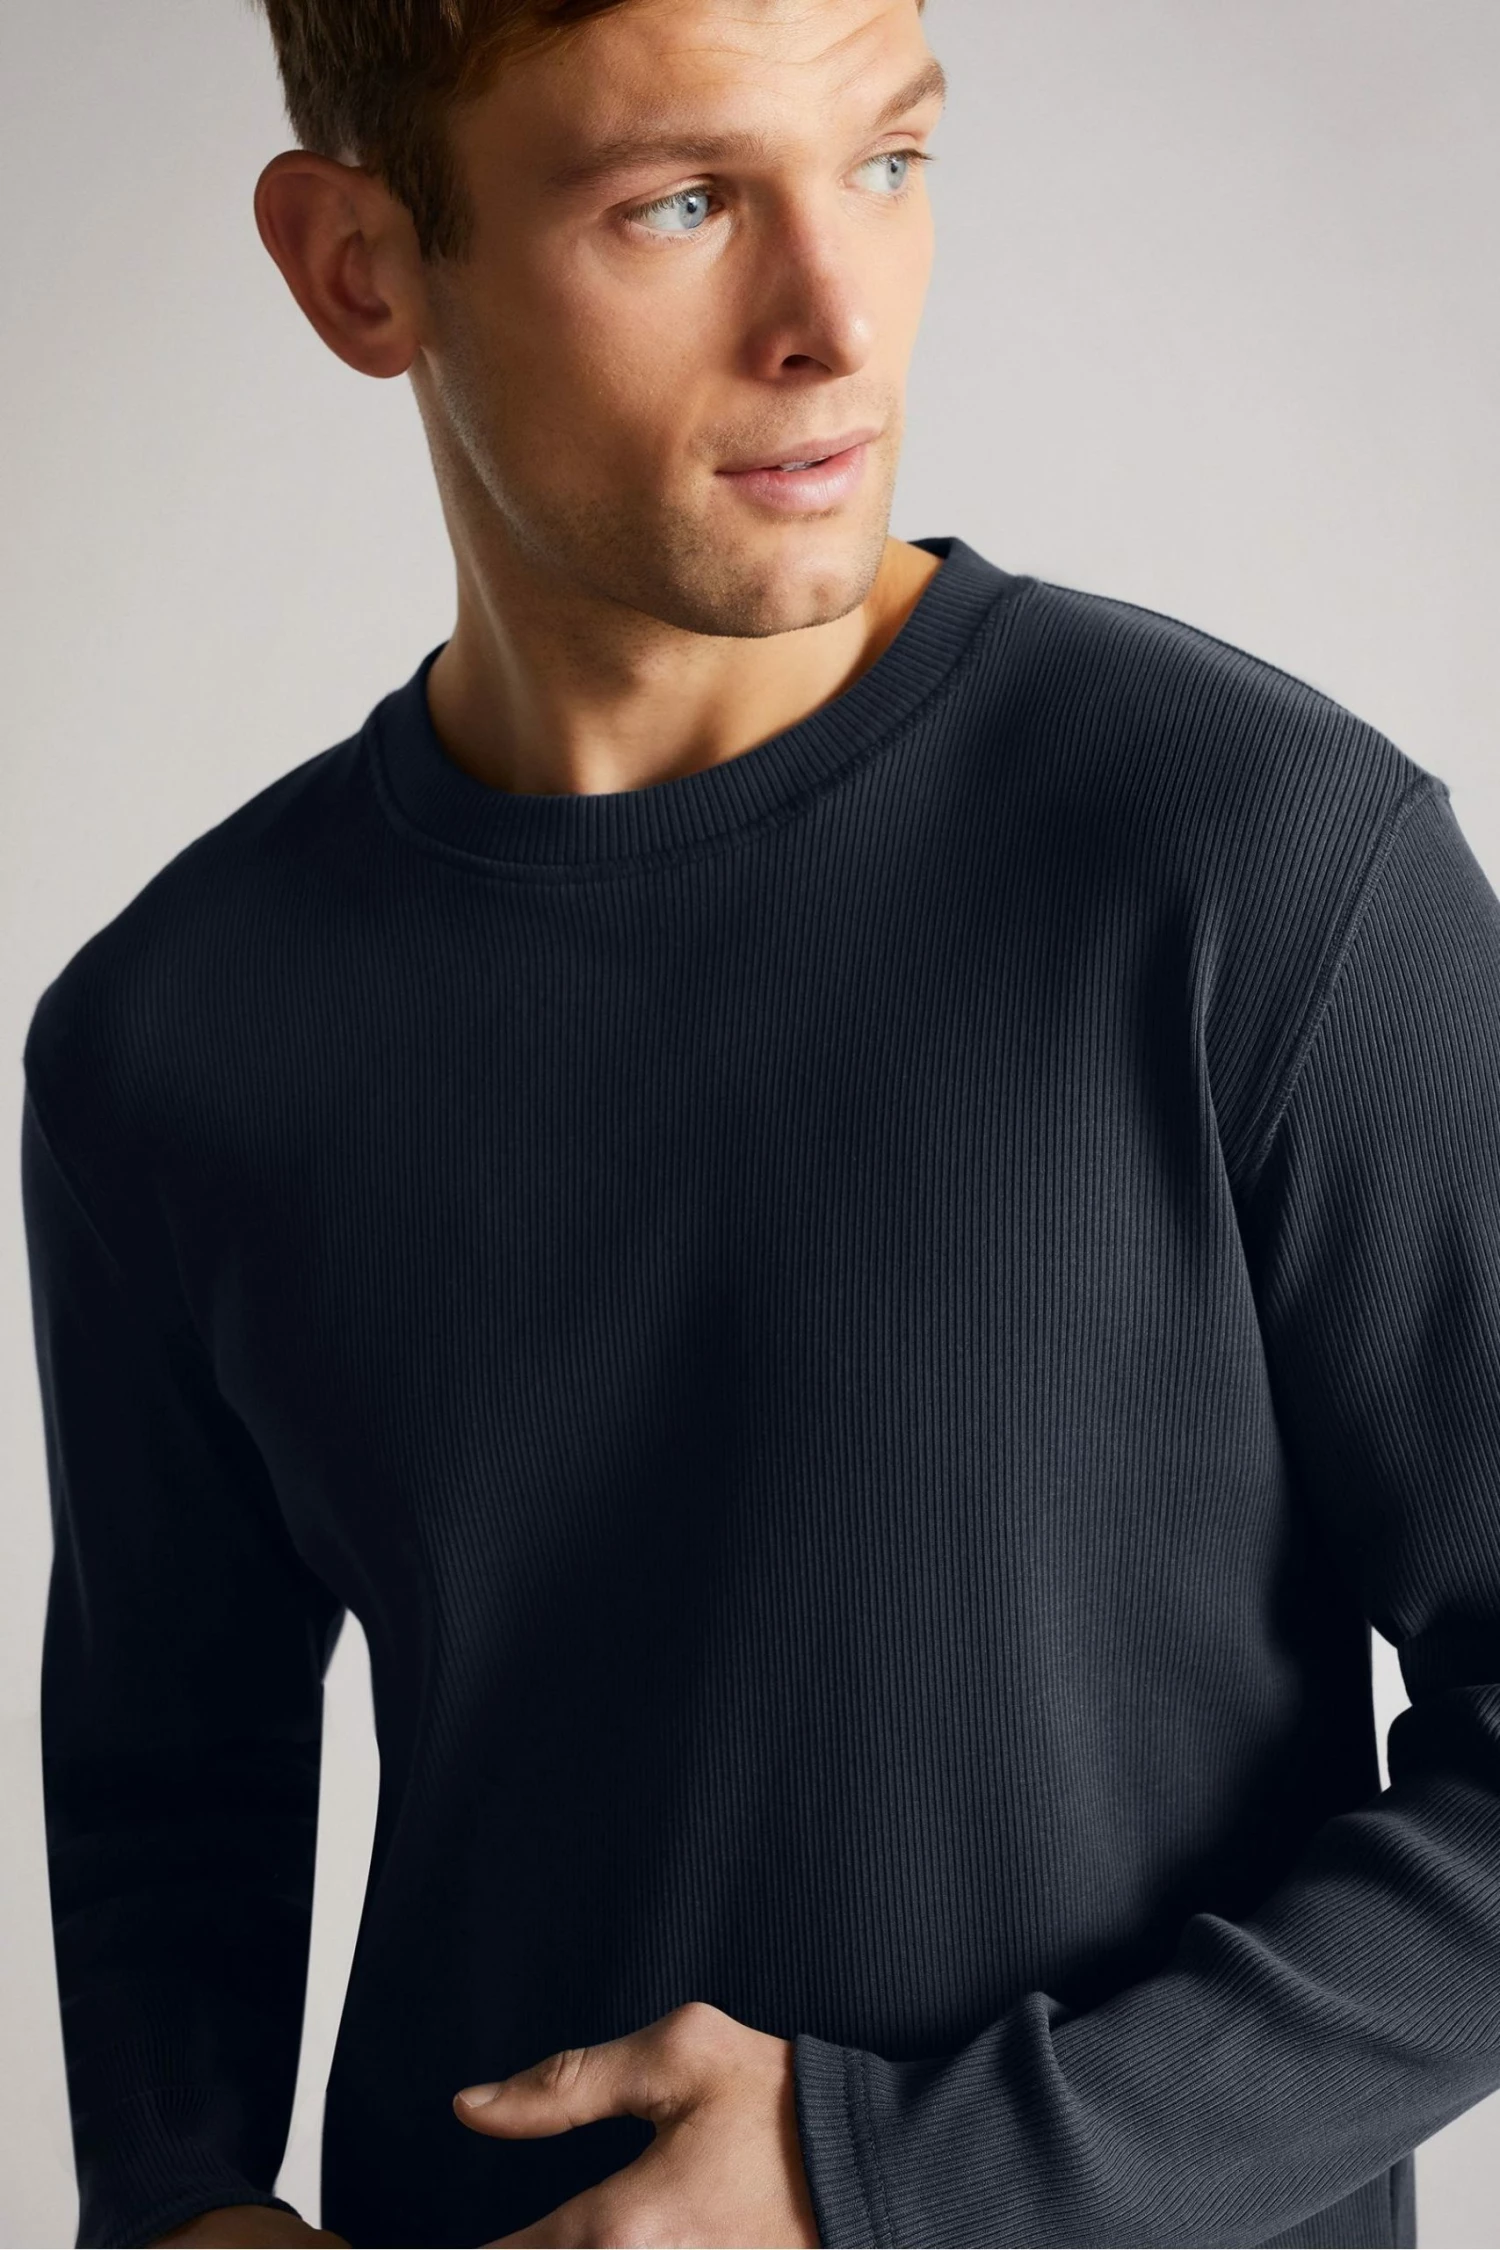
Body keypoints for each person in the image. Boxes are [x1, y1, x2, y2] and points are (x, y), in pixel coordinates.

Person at [20, 0, 1500, 2244]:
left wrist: (897, 2183)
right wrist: (178, 2198)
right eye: (684, 202)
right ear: (361, 267)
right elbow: (167, 1780)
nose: (837, 320)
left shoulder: (1258, 863)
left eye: (889, 162)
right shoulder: (168, 1036)